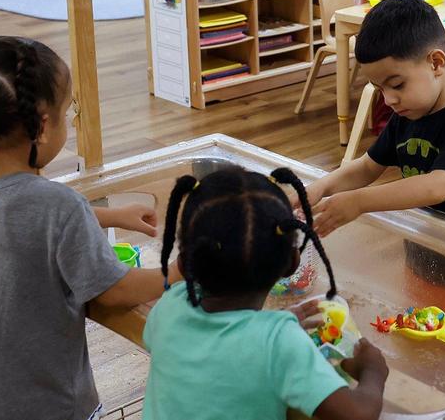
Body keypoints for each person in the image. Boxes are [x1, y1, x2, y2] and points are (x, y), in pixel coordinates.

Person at [0, 36, 178, 420]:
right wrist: (178, 272)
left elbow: (28, 221)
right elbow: (115, 291)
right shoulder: (58, 208)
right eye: (68, 110)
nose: (71, 120)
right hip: (49, 410)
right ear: (43, 126)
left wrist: (111, 216)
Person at [143, 166, 389, 420]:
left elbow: (212, 360)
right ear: (292, 263)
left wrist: (272, 327)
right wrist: (373, 371)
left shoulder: (169, 305)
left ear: (185, 263)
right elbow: (357, 415)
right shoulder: (280, 343)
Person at [304, 0, 445, 236]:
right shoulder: (407, 115)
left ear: (436, 63)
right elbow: (367, 167)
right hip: (424, 240)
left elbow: (437, 187)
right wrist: (319, 187)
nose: (388, 100)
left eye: (397, 85)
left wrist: (359, 201)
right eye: (380, 89)